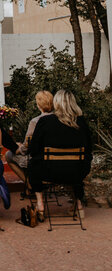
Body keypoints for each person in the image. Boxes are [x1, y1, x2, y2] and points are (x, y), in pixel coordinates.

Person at [28, 90, 92, 221]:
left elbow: (33, 149)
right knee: (76, 166)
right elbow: (89, 148)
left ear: (56, 103)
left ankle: (40, 205)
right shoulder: (82, 122)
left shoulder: (45, 121)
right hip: (77, 171)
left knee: (33, 165)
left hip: (50, 171)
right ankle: (78, 206)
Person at [5, 90, 54, 183]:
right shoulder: (59, 120)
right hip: (55, 160)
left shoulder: (35, 122)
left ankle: (30, 184)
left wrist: (19, 148)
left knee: (9, 155)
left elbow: (27, 145)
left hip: (38, 161)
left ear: (38, 105)